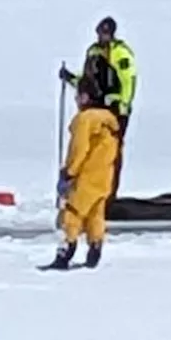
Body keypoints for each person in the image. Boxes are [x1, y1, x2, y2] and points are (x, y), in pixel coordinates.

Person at [42, 77, 122, 270]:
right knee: (95, 215)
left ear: (85, 97)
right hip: (104, 177)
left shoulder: (85, 120)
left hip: (85, 177)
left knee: (71, 214)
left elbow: (79, 149)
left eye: (78, 96)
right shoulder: (108, 121)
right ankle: (95, 250)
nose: (76, 100)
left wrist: (69, 172)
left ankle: (65, 253)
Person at [59, 15, 136, 197]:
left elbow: (128, 81)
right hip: (94, 109)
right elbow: (88, 80)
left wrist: (122, 103)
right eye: (101, 33)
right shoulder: (93, 52)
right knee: (89, 151)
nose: (103, 37)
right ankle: (88, 192)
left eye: (106, 33)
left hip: (114, 111)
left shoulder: (120, 53)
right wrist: (70, 78)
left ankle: (108, 195)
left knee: (110, 153)